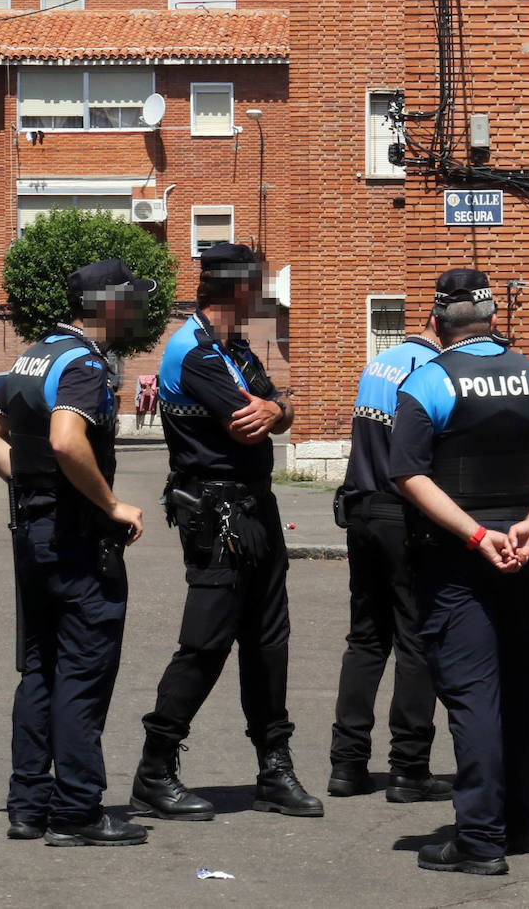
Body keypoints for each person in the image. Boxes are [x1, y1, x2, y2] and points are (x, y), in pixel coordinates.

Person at [390, 268, 529, 876]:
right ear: (494, 318)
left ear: (439, 323)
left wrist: (476, 535)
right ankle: (516, 820)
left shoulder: (428, 382)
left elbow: (410, 474)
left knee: (474, 698)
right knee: (523, 691)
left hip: (458, 561)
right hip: (523, 557)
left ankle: (478, 839)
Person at [130, 243, 323, 821]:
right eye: (258, 288)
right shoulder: (194, 351)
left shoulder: (234, 347)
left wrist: (278, 409)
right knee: (206, 643)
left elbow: (278, 406)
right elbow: (249, 427)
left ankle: (274, 768)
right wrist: (274, 410)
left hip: (256, 510)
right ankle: (154, 769)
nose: (263, 298)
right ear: (237, 290)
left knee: (269, 641)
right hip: (216, 517)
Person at [0, 258, 155, 847]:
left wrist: (29, 487)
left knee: (41, 671)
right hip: (77, 538)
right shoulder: (82, 364)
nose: (138, 312)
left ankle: (28, 805)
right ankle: (77, 811)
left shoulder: (32, 355)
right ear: (107, 307)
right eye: (131, 301)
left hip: (33, 530)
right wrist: (110, 506)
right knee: (81, 672)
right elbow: (65, 439)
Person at [327, 321, 451, 803]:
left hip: (361, 509)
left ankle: (347, 764)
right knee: (416, 641)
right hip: (404, 517)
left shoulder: (380, 361)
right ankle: (409, 768)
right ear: (440, 326)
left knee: (366, 640)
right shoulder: (432, 369)